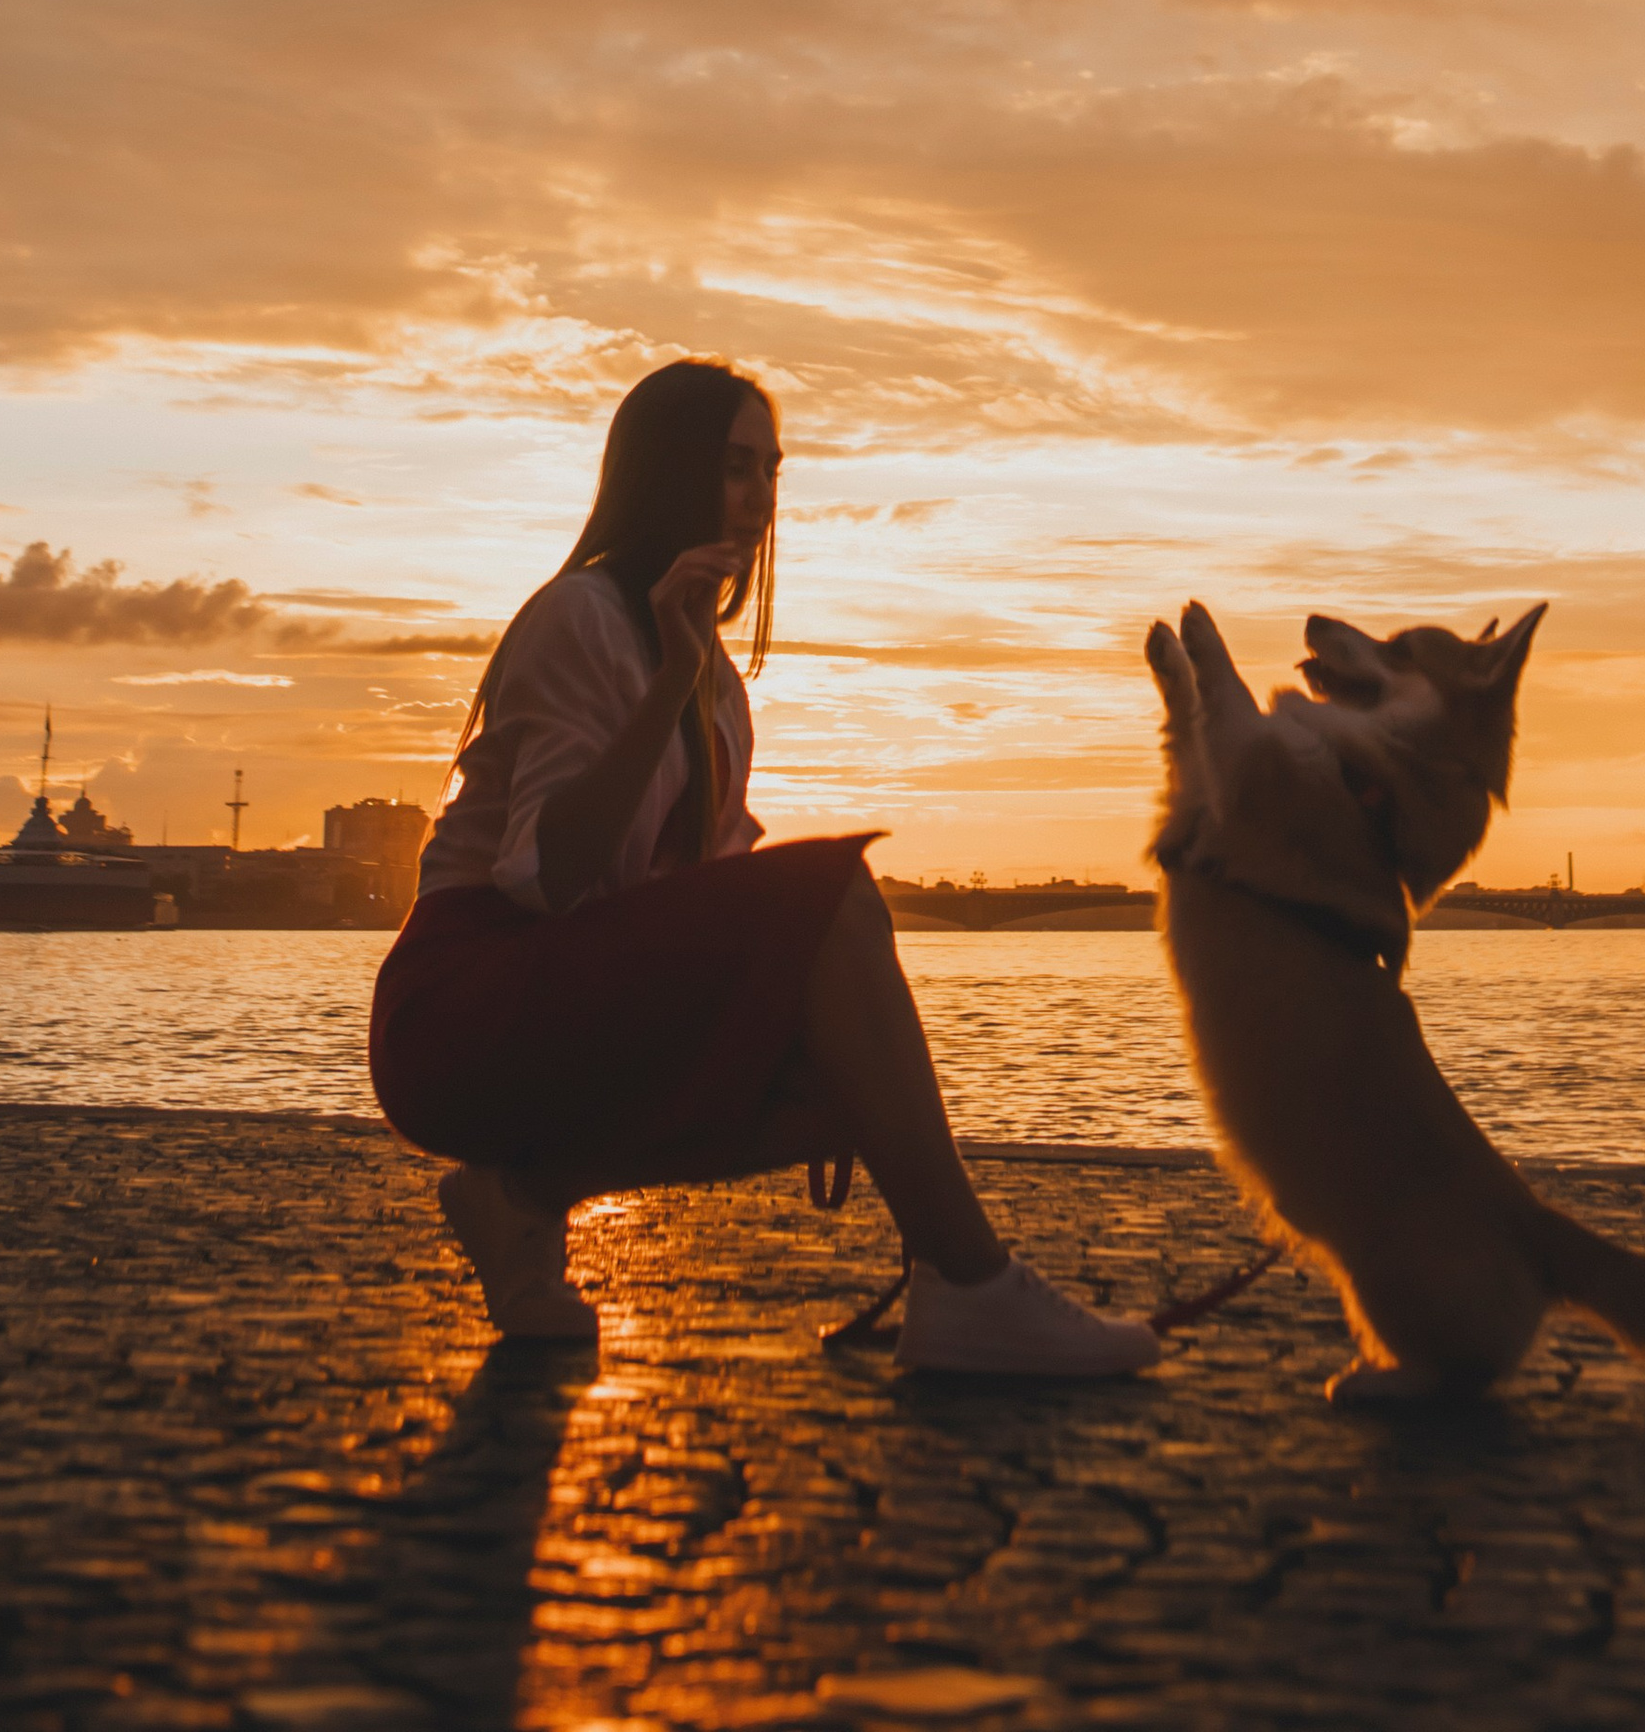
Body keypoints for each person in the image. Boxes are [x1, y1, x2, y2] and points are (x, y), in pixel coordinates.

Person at [369, 354, 1161, 1376]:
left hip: (571, 1003)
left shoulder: (722, 695)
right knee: (831, 894)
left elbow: (696, 902)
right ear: (669, 474)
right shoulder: (580, 620)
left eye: (773, 473)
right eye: (737, 468)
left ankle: (522, 1199)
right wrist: (669, 687)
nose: (760, 501)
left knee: (854, 1080)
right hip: (462, 1007)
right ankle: (971, 1284)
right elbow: (550, 880)